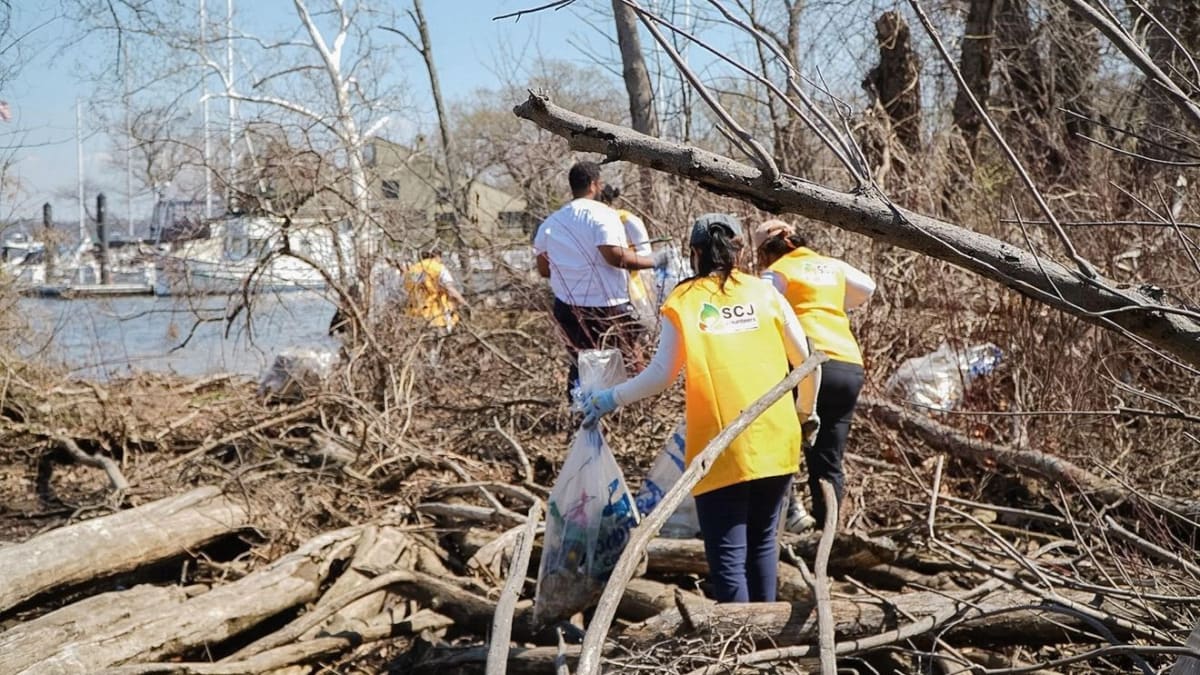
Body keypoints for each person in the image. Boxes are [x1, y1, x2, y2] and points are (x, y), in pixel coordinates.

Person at [580, 213, 821, 603]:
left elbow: (660, 374)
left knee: (728, 554)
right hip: (777, 437)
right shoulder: (766, 293)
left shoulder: (684, 300)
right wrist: (805, 414)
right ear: (739, 250)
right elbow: (806, 359)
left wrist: (609, 398)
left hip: (718, 443)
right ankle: (768, 644)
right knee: (762, 544)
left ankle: (739, 650)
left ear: (694, 254)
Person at [751, 218, 875, 532]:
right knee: (828, 460)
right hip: (849, 366)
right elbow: (868, 288)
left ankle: (784, 518)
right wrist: (831, 303)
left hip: (805, 367)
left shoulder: (775, 273)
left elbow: (760, 310)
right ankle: (828, 533)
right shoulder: (832, 266)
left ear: (765, 252)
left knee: (781, 443)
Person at [533, 161, 667, 399]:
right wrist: (654, 261)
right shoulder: (604, 215)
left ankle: (583, 413)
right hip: (607, 306)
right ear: (595, 184)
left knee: (581, 362)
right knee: (628, 355)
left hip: (567, 306)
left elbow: (544, 269)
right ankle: (639, 404)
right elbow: (615, 257)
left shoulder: (551, 223)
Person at [403, 248, 468, 334]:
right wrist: (464, 303)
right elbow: (450, 289)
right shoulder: (439, 268)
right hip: (437, 316)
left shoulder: (411, 271)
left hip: (415, 317)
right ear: (437, 256)